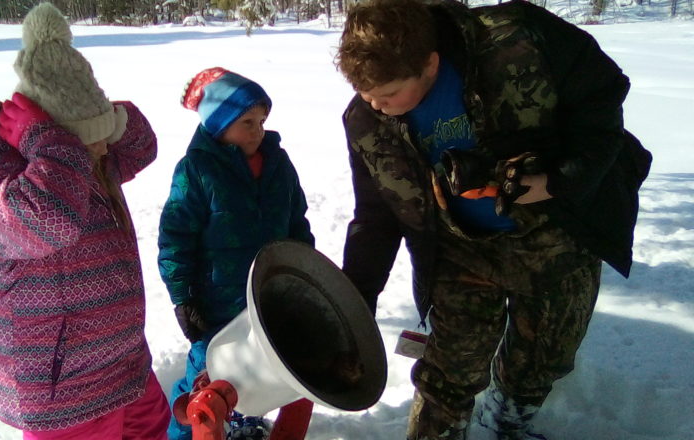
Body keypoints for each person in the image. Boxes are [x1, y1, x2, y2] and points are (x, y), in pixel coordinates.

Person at [334, 0, 652, 439]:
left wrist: (557, 181)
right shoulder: (366, 120)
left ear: (430, 63)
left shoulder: (517, 40)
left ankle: (507, 419)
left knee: (543, 354)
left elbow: (601, 97)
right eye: (366, 93)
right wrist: (354, 307)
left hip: (554, 232)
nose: (377, 106)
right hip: (461, 246)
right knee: (449, 368)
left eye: (388, 95)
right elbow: (375, 216)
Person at [0, 3, 170, 439]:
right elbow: (51, 219)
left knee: (155, 428)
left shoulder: (83, 162)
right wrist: (51, 139)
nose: (105, 152)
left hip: (121, 363)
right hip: (62, 391)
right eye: (93, 145)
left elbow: (143, 146)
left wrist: (105, 118)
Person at [157, 67, 316, 440]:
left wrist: (304, 274)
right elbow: (175, 239)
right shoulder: (196, 171)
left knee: (264, 368)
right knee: (207, 374)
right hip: (216, 303)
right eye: (247, 121)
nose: (257, 130)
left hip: (269, 297)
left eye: (261, 120)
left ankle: (244, 421)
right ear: (219, 124)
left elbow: (297, 224)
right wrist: (184, 298)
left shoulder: (279, 164)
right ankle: (182, 432)